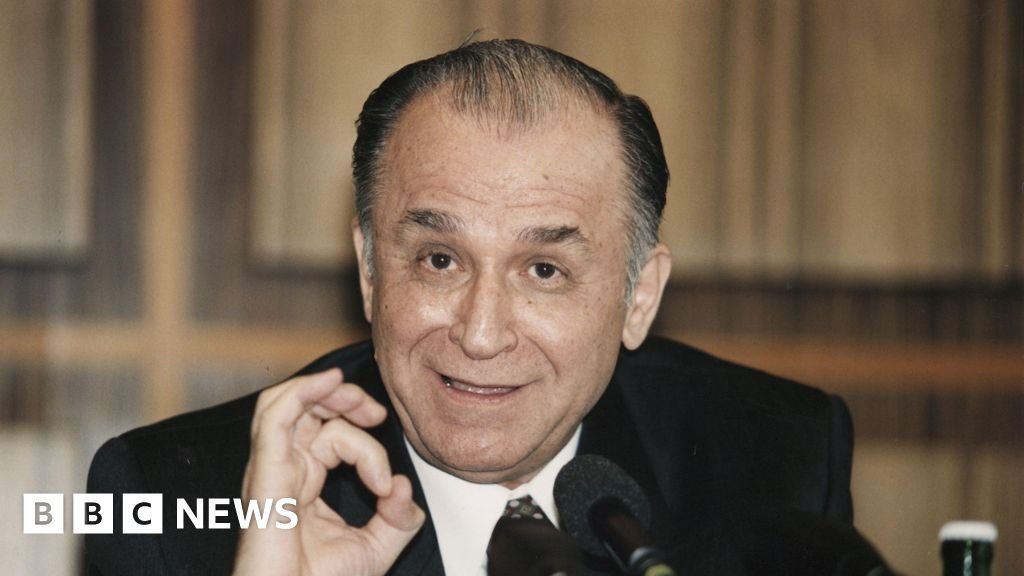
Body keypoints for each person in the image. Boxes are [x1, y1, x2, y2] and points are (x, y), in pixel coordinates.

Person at [86, 39, 854, 576]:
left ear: (639, 297)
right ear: (369, 270)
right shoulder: (167, 501)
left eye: (544, 270)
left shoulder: (777, 459)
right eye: (440, 260)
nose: (481, 335)